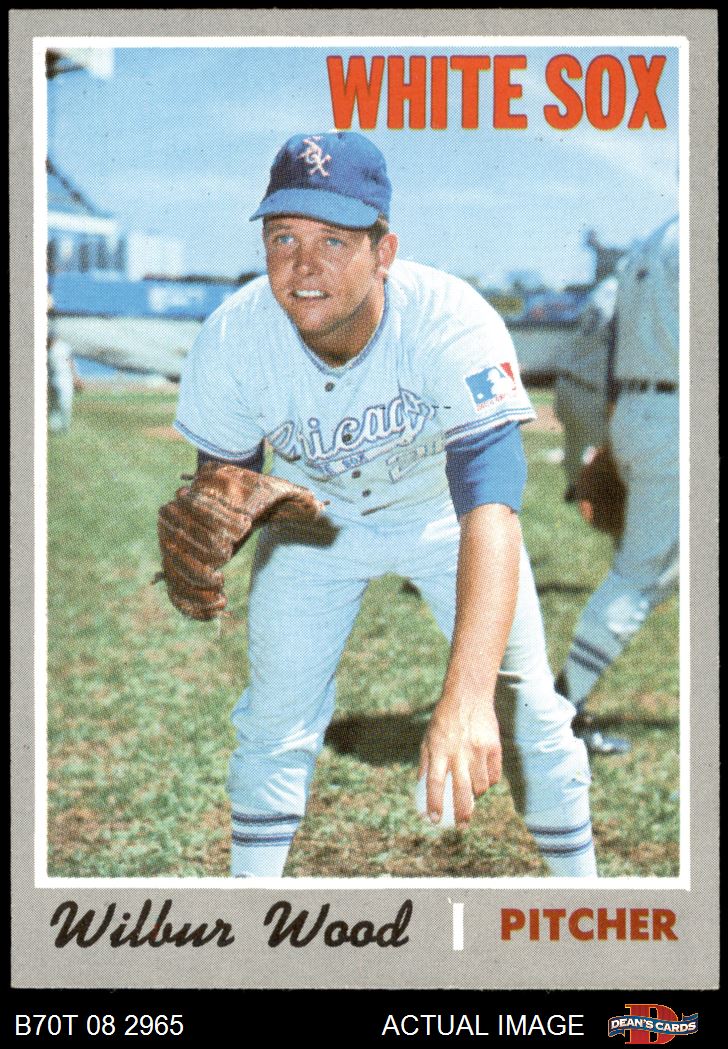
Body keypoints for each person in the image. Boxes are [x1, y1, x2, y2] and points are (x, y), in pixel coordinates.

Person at [172, 131, 596, 878]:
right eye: (283, 238)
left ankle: (586, 903)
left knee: (531, 714)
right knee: (272, 725)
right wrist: (213, 527)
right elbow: (224, 487)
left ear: (384, 251)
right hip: (314, 523)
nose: (303, 265)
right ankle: (249, 914)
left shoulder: (450, 320)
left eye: (333, 240)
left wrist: (466, 698)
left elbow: (492, 509)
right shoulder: (234, 336)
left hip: (444, 517)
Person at [555, 216, 679, 757]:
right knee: (641, 575)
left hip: (637, 406)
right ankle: (561, 710)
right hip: (678, 412)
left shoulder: (650, 240)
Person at [553, 275, 618, 502]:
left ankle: (575, 487)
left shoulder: (604, 289)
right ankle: (594, 496)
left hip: (566, 384)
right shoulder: (626, 293)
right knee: (615, 453)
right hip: (589, 391)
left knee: (574, 444)